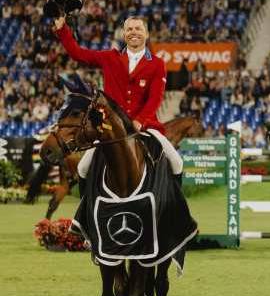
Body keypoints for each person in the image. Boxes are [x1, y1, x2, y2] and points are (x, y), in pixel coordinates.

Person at [53, 15, 182, 178]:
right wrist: (62, 29)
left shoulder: (157, 64)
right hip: (111, 128)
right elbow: (78, 54)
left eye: (138, 28)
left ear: (147, 34)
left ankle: (173, 195)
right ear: (124, 34)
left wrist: (140, 120)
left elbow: (155, 98)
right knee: (83, 169)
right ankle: (87, 196)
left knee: (177, 163)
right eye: (129, 29)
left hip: (145, 126)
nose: (133, 32)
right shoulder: (109, 57)